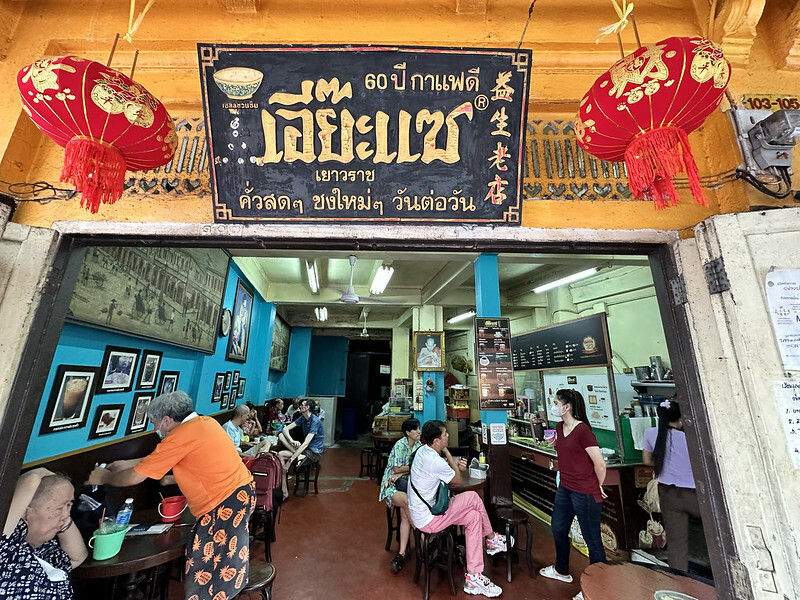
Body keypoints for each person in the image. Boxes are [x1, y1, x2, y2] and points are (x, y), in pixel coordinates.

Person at [88, 392, 255, 600]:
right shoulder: (205, 423)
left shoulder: (180, 436)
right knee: (226, 559)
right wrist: (127, 463)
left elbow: (134, 478)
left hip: (222, 505)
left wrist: (104, 477)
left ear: (166, 420)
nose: (155, 429)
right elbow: (164, 455)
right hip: (241, 494)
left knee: (210, 568)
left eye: (154, 422)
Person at [409, 420, 506, 598]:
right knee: (473, 497)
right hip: (430, 519)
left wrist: (446, 457)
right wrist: (447, 452)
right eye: (444, 434)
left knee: (474, 516)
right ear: (436, 441)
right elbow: (458, 479)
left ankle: (474, 577)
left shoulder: (422, 451)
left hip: (421, 513)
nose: (447, 435)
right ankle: (492, 539)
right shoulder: (434, 460)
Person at [539, 389, 607, 592]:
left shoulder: (583, 430)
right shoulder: (560, 427)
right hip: (565, 488)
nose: (553, 406)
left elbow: (600, 464)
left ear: (566, 407)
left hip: (585, 492)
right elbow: (567, 453)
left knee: (592, 539)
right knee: (558, 528)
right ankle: (561, 570)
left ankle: (597, 589)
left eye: (556, 403)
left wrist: (598, 485)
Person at [1, 468, 88, 600]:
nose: (67, 514)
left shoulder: (39, 550)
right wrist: (43, 472)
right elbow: (32, 480)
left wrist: (62, 518)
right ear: (25, 513)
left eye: (69, 505)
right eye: (60, 508)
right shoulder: (6, 550)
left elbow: (77, 557)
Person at [642, 399, 702, 572]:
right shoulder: (691, 438)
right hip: (695, 495)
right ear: (681, 419)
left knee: (676, 542)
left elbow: (647, 461)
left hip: (668, 493)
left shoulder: (650, 434)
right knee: (714, 535)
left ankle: (678, 579)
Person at [378, 417, 422, 574]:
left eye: (419, 428)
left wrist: (403, 471)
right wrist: (405, 470)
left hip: (407, 484)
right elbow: (396, 469)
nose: (419, 432)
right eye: (415, 429)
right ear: (407, 432)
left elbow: (418, 467)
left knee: (405, 514)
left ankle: (401, 553)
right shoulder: (400, 445)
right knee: (408, 503)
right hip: (391, 485)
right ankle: (422, 537)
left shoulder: (419, 446)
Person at [277, 399, 324, 496]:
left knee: (288, 456)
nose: (300, 406)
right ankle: (284, 490)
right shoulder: (302, 418)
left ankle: (298, 457)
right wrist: (291, 441)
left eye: (302, 405)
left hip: (313, 451)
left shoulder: (315, 421)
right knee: (281, 440)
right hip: (304, 450)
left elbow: (306, 443)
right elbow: (285, 429)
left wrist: (290, 461)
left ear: (307, 407)